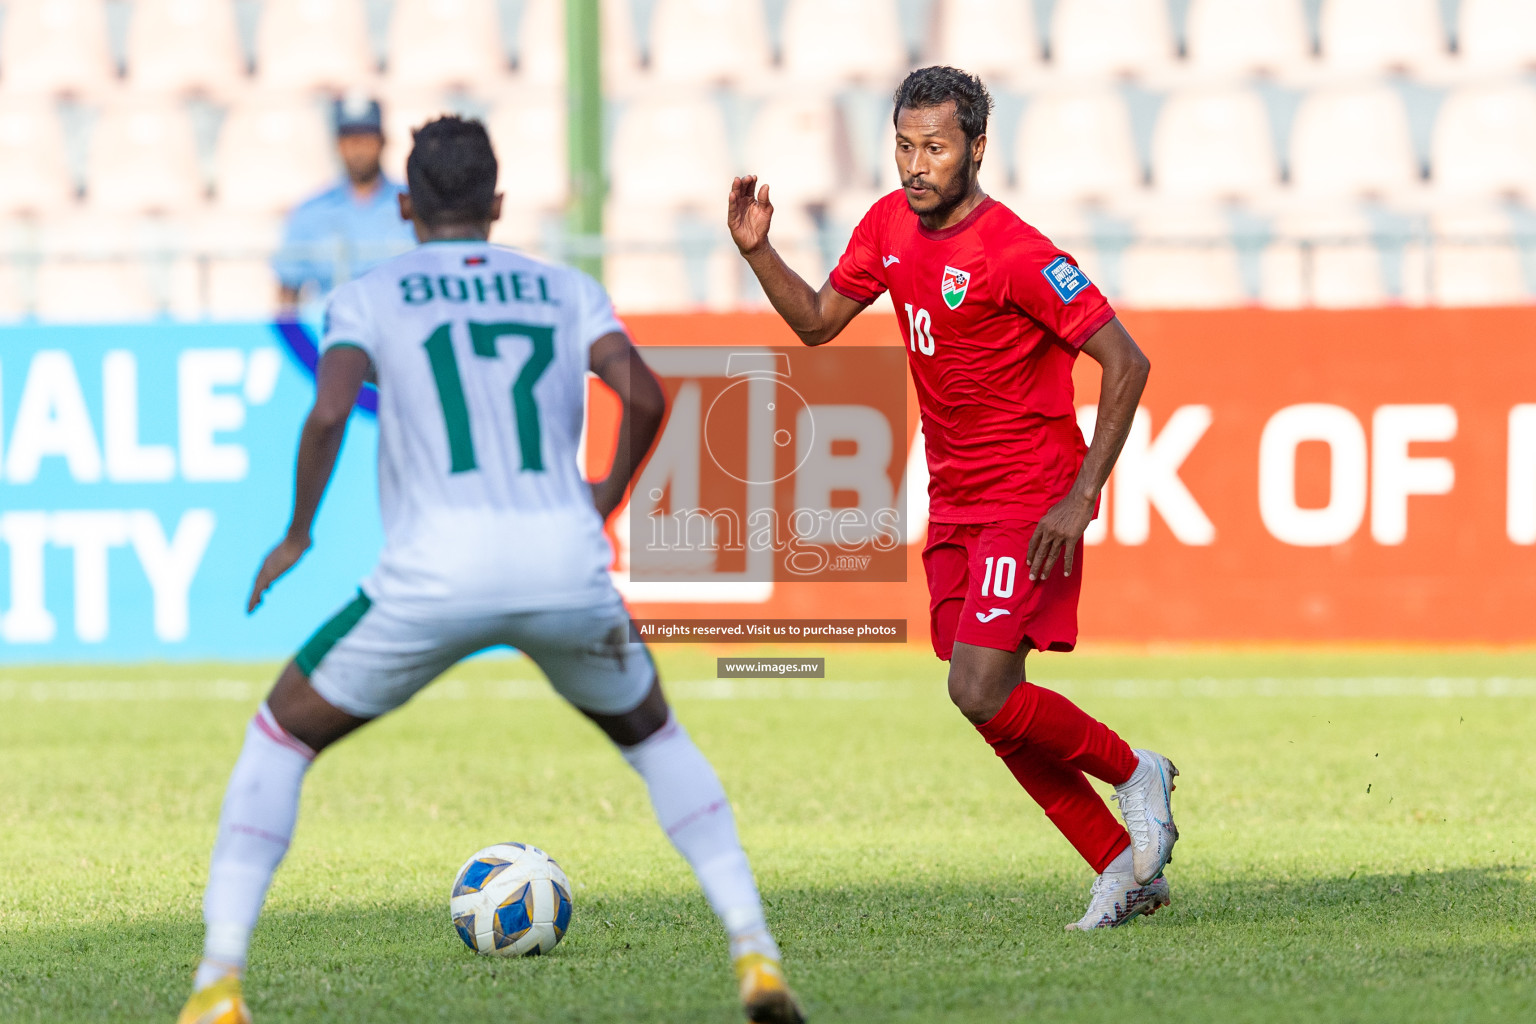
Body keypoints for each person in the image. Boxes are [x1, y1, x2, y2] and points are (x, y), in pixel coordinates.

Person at [178, 117, 804, 1024]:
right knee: (658, 741)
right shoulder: (565, 289)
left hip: (430, 576)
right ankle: (755, 953)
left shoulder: (370, 293)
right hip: (562, 563)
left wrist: (297, 532)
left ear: (404, 206)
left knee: (280, 739)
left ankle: (219, 986)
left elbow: (327, 413)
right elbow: (643, 393)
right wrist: (602, 500)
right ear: (499, 203)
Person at [727, 66, 1180, 931]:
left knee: (977, 687)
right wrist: (758, 251)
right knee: (987, 695)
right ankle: (1120, 863)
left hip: (1030, 491)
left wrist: (1082, 496)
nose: (915, 165)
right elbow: (820, 321)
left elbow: (1128, 362)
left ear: (976, 147)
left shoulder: (1014, 250)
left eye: (935, 147)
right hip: (957, 495)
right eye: (904, 146)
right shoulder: (888, 225)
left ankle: (1134, 774)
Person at [272, 94, 416, 311]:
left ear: (383, 141)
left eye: (366, 138)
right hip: (328, 332)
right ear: (337, 145)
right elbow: (287, 291)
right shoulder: (311, 212)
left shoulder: (413, 205)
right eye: (349, 139)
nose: (358, 149)